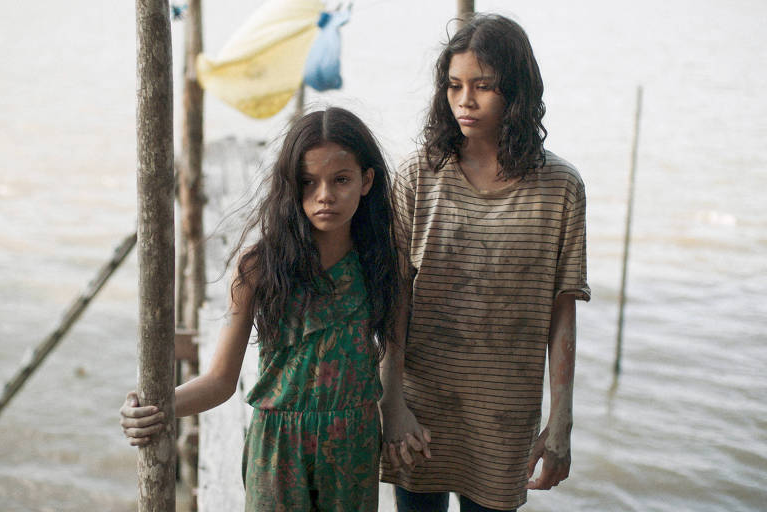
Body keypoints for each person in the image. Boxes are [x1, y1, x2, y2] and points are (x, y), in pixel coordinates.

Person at [120, 107, 401, 511]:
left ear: (366, 181)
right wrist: (153, 406)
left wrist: (397, 415)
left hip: (352, 443)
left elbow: (397, 350)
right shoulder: (261, 267)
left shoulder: (382, 263)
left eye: (341, 180)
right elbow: (219, 380)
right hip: (277, 445)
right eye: (309, 182)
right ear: (291, 186)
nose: (325, 195)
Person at [378, 13, 590, 512]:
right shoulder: (417, 177)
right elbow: (395, 297)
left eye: (483, 86)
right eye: (453, 86)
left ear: (515, 90)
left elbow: (562, 310)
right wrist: (391, 402)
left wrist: (561, 418)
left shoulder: (561, 187)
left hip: (504, 414)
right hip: (421, 407)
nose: (465, 101)